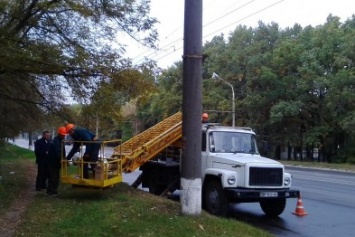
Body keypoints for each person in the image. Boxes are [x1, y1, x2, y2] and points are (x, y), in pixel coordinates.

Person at [47, 126, 67, 197]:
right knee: (53, 177)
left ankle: (53, 191)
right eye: (63, 135)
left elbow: (62, 152)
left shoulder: (60, 140)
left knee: (56, 177)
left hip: (56, 163)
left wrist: (64, 159)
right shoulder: (56, 141)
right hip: (53, 163)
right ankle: (51, 192)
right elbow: (58, 152)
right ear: (60, 134)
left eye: (64, 135)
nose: (64, 136)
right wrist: (62, 160)